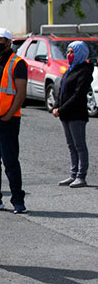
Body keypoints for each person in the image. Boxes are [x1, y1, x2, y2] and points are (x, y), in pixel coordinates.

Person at [0, 28, 28, 213]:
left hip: (8, 120)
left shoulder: (17, 63)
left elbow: (20, 93)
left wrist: (9, 114)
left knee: (10, 161)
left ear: (8, 43)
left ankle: (18, 201)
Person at [53, 41, 93, 188]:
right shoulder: (70, 69)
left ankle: (81, 176)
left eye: (72, 52)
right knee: (71, 145)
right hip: (65, 114)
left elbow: (78, 95)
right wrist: (56, 105)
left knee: (79, 145)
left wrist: (61, 109)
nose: (69, 55)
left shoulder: (84, 71)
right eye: (68, 52)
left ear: (80, 53)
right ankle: (73, 174)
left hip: (76, 114)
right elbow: (62, 90)